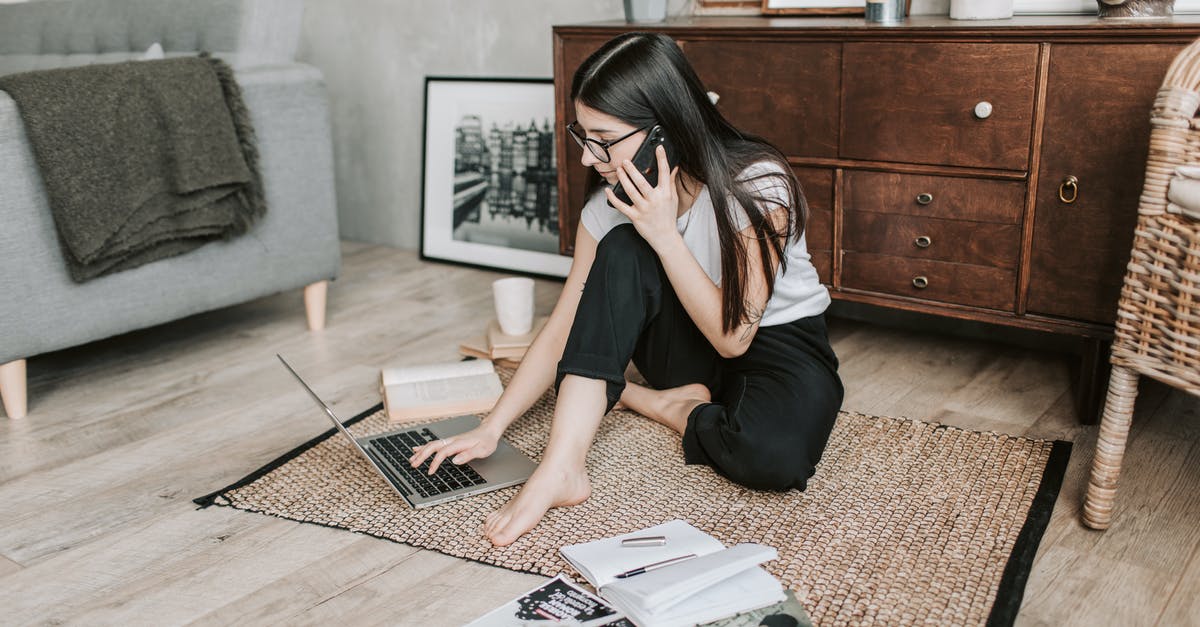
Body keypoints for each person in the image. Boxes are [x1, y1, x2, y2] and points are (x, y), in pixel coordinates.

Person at [409, 32, 843, 547]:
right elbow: (566, 323)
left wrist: (663, 232)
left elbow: (735, 339)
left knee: (773, 459)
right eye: (583, 136)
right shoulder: (606, 204)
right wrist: (492, 426)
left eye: (604, 138)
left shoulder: (756, 185)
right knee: (621, 246)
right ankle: (563, 469)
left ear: (664, 129)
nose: (590, 159)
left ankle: (656, 403)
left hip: (776, 340)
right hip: (681, 347)